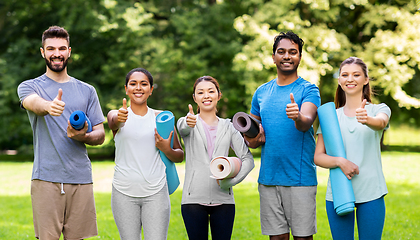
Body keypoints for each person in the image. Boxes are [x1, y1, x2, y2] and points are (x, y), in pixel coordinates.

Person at [17, 26, 105, 239]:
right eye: (51, 48)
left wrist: (83, 136)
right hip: (46, 178)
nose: (57, 53)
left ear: (69, 51)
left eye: (62, 48)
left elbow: (101, 134)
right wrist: (48, 106)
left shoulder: (87, 90)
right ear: (42, 52)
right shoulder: (30, 87)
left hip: (80, 178)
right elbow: (32, 103)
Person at [244, 31, 320, 240]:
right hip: (268, 177)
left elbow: (306, 122)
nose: (287, 56)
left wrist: (297, 117)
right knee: (276, 238)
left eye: (292, 52)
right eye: (282, 52)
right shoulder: (261, 92)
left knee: (302, 237)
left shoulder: (309, 89)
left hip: (300, 178)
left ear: (300, 57)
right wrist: (251, 139)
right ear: (273, 57)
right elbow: (253, 132)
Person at [314, 57, 390, 240]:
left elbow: (381, 122)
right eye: (345, 75)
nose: (350, 79)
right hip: (338, 193)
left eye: (356, 75)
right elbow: (318, 156)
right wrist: (340, 162)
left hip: (371, 192)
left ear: (365, 80)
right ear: (339, 81)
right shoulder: (330, 118)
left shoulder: (378, 109)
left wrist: (367, 119)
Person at [107, 67, 184, 240]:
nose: (138, 87)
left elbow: (179, 155)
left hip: (156, 192)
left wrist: (166, 149)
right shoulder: (117, 115)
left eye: (144, 84)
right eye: (133, 84)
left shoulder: (162, 118)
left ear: (151, 90)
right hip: (123, 193)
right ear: (126, 89)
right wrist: (119, 118)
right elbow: (113, 122)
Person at [177, 76, 255, 240]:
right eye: (201, 92)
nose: (206, 96)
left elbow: (248, 159)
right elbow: (182, 128)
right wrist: (188, 122)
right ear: (195, 98)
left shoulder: (229, 127)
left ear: (219, 95)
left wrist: (230, 182)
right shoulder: (187, 122)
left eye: (211, 91)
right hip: (193, 200)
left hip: (224, 200)